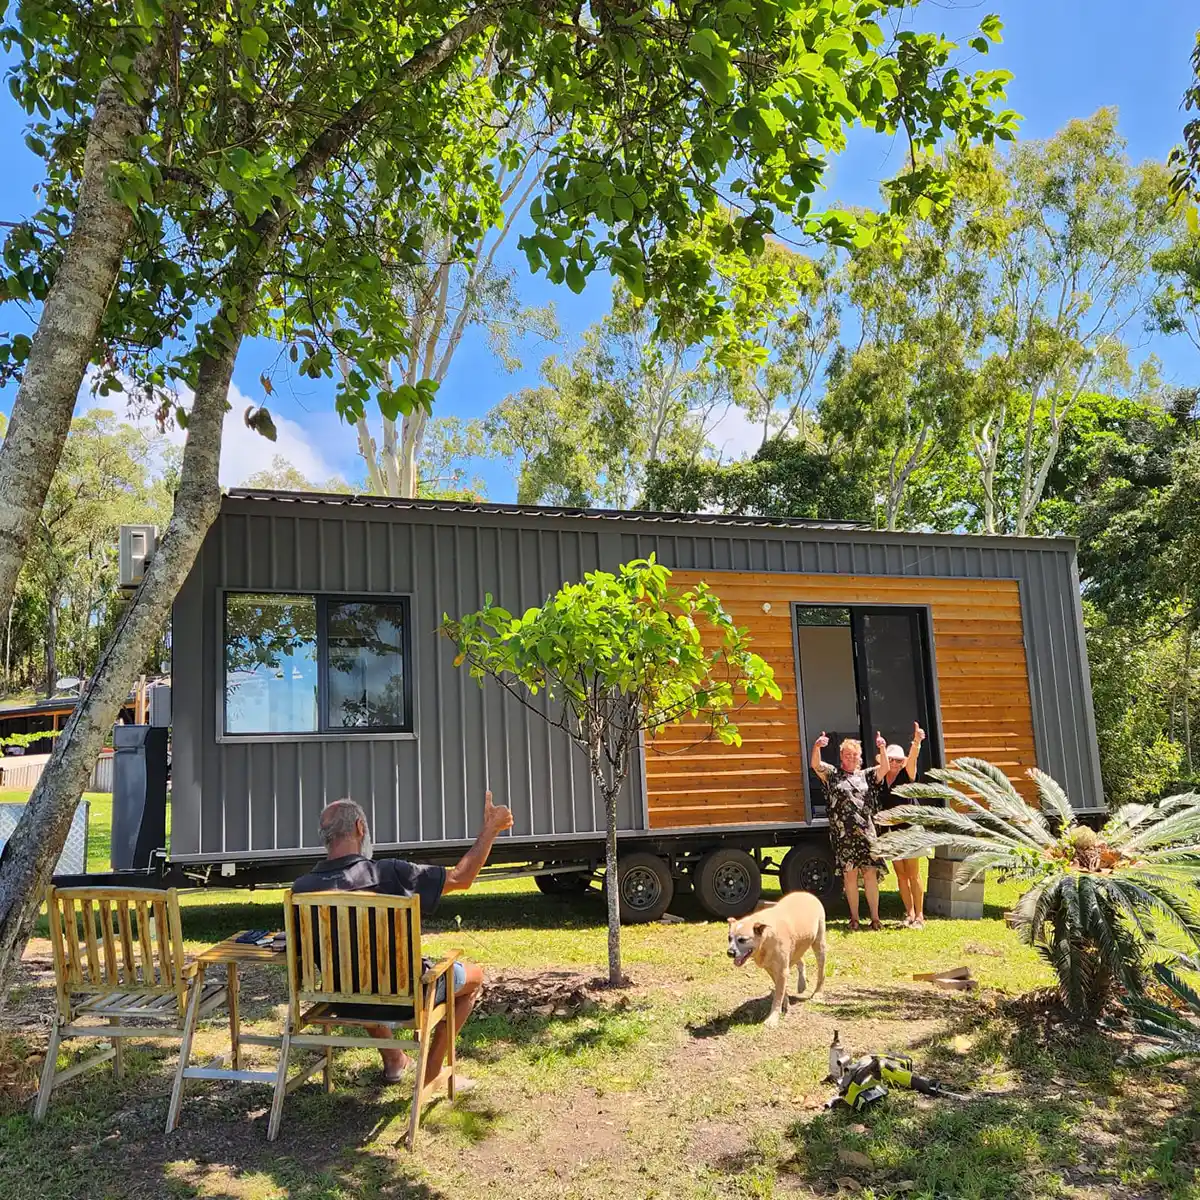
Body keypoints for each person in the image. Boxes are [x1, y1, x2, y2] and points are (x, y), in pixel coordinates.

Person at [293, 790, 514, 1090]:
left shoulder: (302, 888)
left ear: (326, 837)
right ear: (360, 828)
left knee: (361, 975)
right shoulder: (390, 874)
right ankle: (431, 1074)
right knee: (474, 977)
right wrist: (490, 830)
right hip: (404, 1001)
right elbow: (461, 878)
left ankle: (394, 1060)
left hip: (341, 1001)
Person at [810, 731, 888, 931]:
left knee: (870, 873)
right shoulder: (833, 775)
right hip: (844, 835)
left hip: (866, 834)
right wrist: (817, 747)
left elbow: (885, 768)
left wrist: (882, 748)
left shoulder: (867, 776)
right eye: (847, 755)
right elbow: (816, 765)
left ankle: (875, 918)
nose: (851, 758)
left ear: (859, 757)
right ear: (841, 756)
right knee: (850, 875)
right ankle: (854, 918)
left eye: (854, 755)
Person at [875, 722, 927, 928]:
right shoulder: (880, 779)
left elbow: (913, 758)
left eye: (898, 760)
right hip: (891, 832)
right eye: (891, 760)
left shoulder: (907, 774)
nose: (895, 763)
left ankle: (920, 916)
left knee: (913, 874)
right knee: (901, 875)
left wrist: (917, 742)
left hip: (909, 830)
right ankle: (909, 913)